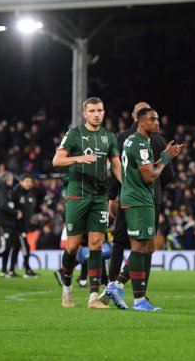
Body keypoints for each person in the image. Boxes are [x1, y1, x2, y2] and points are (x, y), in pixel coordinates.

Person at [104, 107, 182, 311]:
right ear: (141, 122)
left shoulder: (134, 140)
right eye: (152, 119)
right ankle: (138, 299)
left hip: (136, 198)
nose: (157, 122)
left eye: (157, 118)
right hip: (139, 200)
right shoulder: (140, 144)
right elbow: (150, 176)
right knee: (140, 248)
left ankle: (118, 284)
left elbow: (145, 170)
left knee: (148, 246)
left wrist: (163, 157)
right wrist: (166, 158)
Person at [52, 97, 122, 309]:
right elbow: (57, 161)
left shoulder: (109, 137)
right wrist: (78, 158)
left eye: (100, 110)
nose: (96, 114)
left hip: (99, 197)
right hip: (76, 196)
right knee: (72, 246)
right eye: (92, 111)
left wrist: (126, 185)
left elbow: (116, 165)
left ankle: (93, 297)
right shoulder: (75, 134)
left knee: (96, 245)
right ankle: (66, 286)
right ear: (85, 114)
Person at [0, 171, 19, 277]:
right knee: (4, 248)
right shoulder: (1, 188)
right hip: (2, 223)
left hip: (7, 223)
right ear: (7, 180)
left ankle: (3, 271)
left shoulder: (6, 190)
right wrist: (15, 212)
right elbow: (3, 205)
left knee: (7, 248)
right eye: (11, 180)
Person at [12, 174, 39, 278]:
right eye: (27, 181)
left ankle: (10, 270)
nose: (29, 184)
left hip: (25, 227)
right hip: (17, 227)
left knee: (16, 248)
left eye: (30, 182)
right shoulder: (15, 193)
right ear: (21, 181)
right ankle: (27, 270)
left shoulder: (30, 195)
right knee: (26, 248)